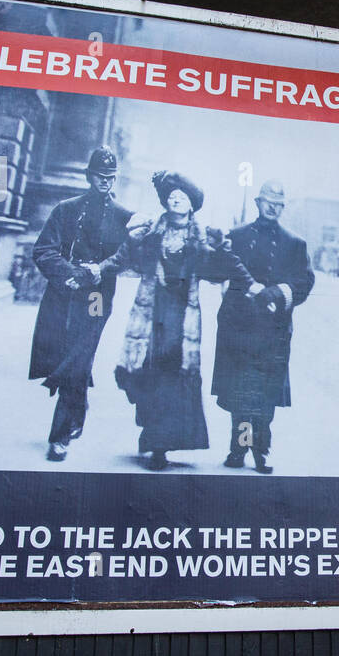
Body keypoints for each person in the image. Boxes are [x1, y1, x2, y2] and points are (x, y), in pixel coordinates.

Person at [112, 171, 257, 471]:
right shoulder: (150, 232)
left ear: (192, 205)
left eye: (183, 196)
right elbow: (123, 258)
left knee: (171, 378)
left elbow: (226, 266)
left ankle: (160, 447)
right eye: (171, 196)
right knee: (147, 375)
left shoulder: (202, 238)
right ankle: (153, 437)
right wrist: (97, 270)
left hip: (181, 318)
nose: (175, 199)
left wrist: (251, 283)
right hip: (152, 314)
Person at [29, 147, 132, 461]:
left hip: (97, 296)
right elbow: (43, 250)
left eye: (110, 177)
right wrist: (69, 274)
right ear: (90, 176)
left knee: (77, 355)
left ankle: (59, 437)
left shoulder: (123, 215)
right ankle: (79, 405)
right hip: (63, 292)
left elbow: (127, 257)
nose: (105, 182)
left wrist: (96, 273)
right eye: (100, 176)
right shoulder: (66, 209)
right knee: (67, 354)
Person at [211, 180, 315, 474]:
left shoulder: (295, 243)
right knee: (240, 390)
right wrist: (215, 250)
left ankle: (261, 451)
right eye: (268, 201)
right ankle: (238, 448)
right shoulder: (237, 237)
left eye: (279, 204)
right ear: (258, 203)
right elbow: (220, 271)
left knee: (266, 392)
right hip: (239, 325)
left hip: (274, 329)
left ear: (283, 207)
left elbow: (305, 282)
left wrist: (279, 293)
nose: (273, 207)